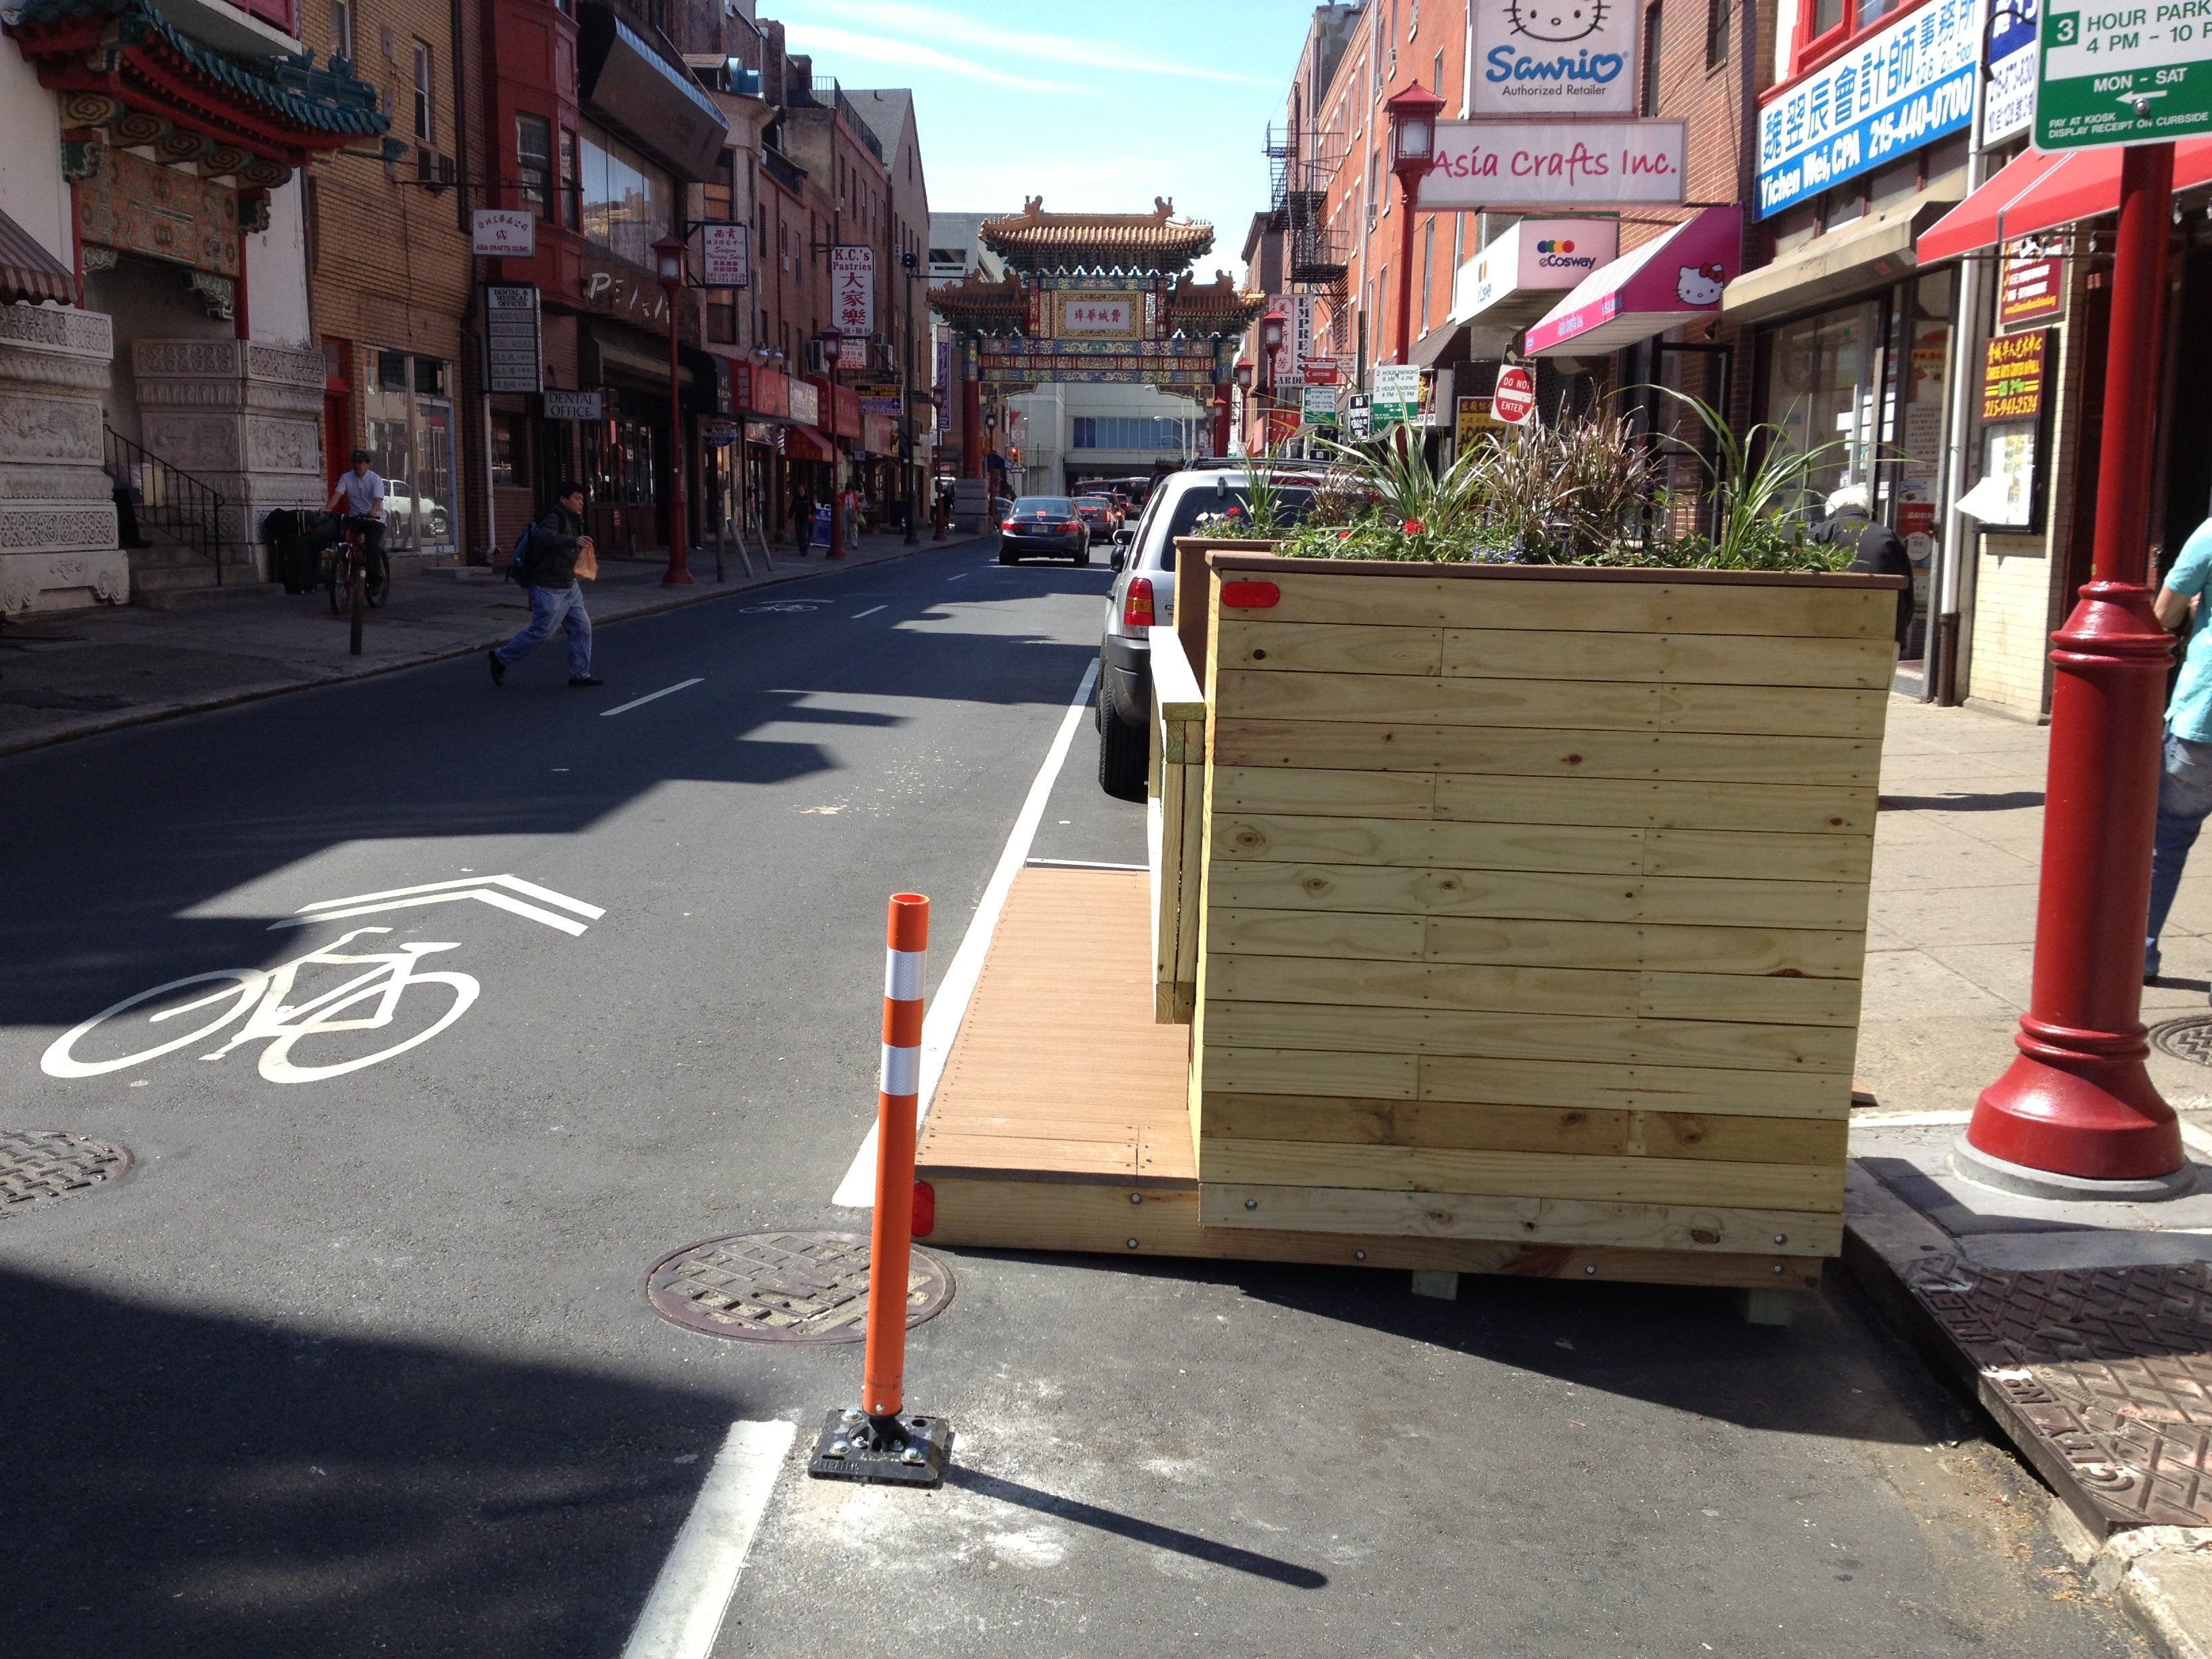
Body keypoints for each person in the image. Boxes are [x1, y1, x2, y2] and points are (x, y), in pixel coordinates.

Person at [2146, 516, 2212, 986]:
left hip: (2204, 720)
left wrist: (2192, 616)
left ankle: (2141, 954)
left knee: (2167, 841)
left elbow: (2161, 615)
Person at [488, 483, 601, 689]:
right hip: (550, 587)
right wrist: (573, 540)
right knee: (541, 632)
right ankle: (500, 658)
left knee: (582, 628)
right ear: (563, 499)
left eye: (582, 499)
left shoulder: (574, 519)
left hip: (569, 585)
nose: (581, 503)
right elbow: (544, 536)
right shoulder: (555, 516)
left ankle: (580, 674)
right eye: (577, 498)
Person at [1807, 483, 1914, 651]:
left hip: (1825, 631)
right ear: (1867, 510)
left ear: (1831, 509)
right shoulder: (1889, 537)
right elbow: (1907, 595)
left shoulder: (1818, 534)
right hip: (1884, 630)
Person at [326, 450, 388, 590]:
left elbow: (378, 499)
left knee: (371, 545)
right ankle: (340, 571)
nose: (357, 465)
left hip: (375, 520)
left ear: (368, 465)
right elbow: (337, 495)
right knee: (341, 539)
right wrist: (328, 508)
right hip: (356, 518)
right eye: (354, 462)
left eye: (361, 462)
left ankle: (374, 581)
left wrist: (373, 511)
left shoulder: (375, 479)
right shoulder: (346, 478)